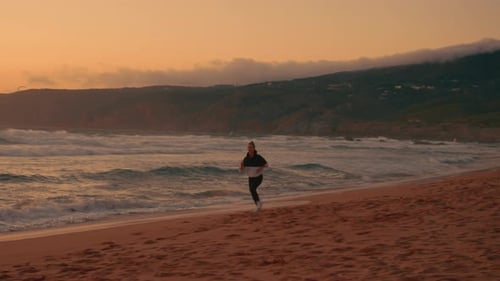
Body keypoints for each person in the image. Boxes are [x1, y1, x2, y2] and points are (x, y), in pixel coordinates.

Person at [240, 141, 268, 211]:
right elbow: (242, 170)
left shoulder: (258, 157)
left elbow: (266, 165)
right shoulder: (246, 159)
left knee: (252, 189)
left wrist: (260, 168)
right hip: (251, 177)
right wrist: (241, 167)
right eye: (248, 147)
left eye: (251, 147)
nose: (249, 149)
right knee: (251, 190)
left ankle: (258, 204)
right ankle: (258, 205)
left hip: (259, 177)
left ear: (254, 148)